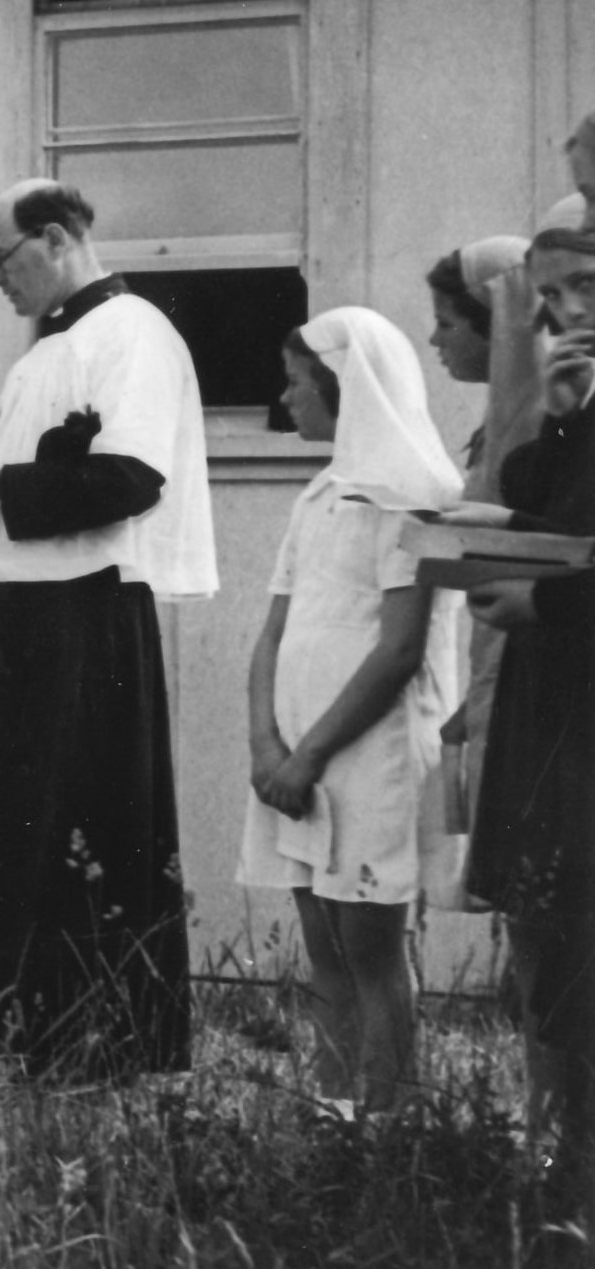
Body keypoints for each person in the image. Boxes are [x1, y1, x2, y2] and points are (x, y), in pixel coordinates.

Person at [0, 181, 214, 1078]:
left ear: (54, 239)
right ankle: (31, 1040)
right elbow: (37, 463)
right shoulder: (52, 349)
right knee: (10, 837)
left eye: (2, 259)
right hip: (14, 613)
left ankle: (90, 1049)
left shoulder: (131, 334)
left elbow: (129, 479)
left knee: (71, 829)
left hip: (76, 620)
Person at [236, 308, 462, 1116]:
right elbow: (272, 633)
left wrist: (308, 757)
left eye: (299, 383)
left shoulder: (413, 497)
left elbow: (399, 651)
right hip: (292, 757)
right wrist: (267, 745)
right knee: (322, 945)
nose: (286, 398)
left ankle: (390, 1120)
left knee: (369, 947)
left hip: (363, 758)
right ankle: (334, 1113)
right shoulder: (321, 493)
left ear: (347, 391)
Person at [466, 224, 595, 1223]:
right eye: (548, 298)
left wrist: (542, 605)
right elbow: (531, 501)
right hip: (564, 697)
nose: (567, 314)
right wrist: (554, 415)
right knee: (558, 937)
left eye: (583, 286)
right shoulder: (581, 404)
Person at [421, 237, 536, 892]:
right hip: (495, 661)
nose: (435, 340)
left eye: (446, 321)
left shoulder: (543, 423)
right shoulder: (499, 421)